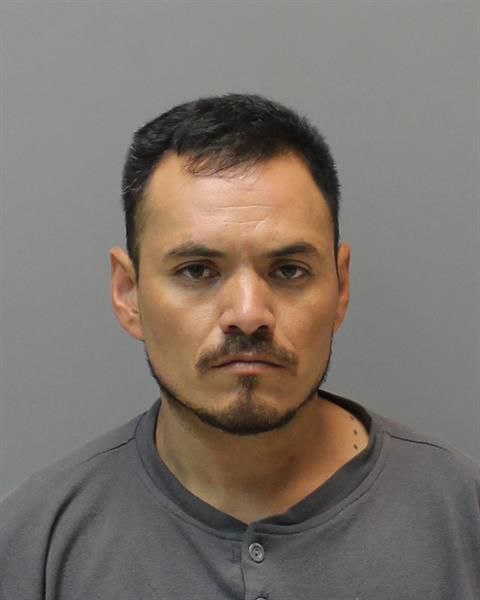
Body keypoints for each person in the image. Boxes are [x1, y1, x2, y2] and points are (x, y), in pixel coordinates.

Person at [0, 94, 478, 600]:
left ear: (340, 288)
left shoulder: (461, 518)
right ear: (128, 293)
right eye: (197, 271)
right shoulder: (35, 544)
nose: (249, 314)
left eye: (289, 270)